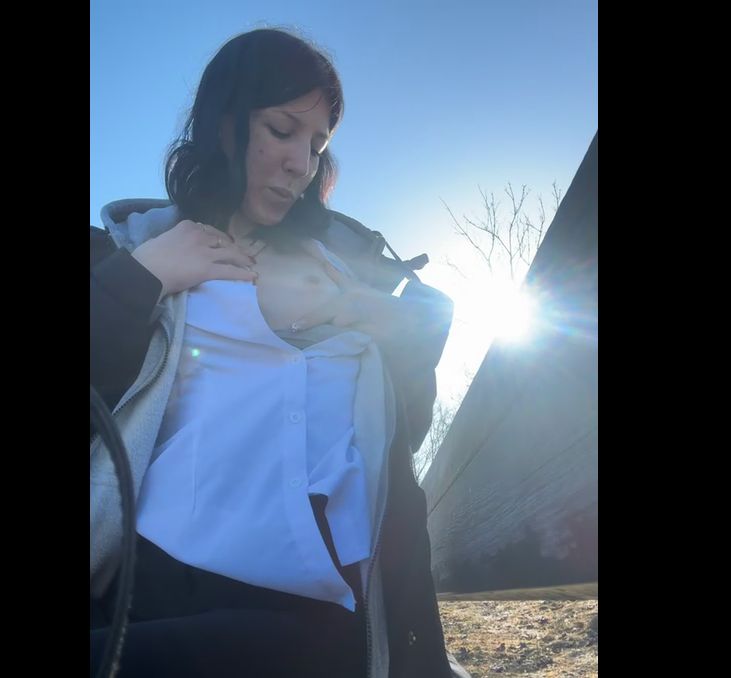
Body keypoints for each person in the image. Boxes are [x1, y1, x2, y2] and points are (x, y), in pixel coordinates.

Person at [90, 28, 467, 678]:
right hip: (151, 587)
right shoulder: (138, 250)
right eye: (283, 130)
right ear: (224, 124)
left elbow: (404, 436)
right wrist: (140, 277)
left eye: (317, 145)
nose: (302, 163)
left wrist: (381, 315)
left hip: (322, 607)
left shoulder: (350, 271)